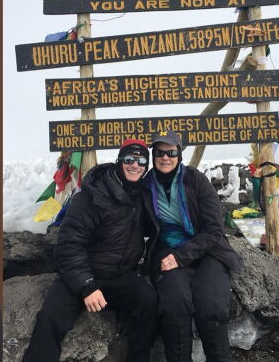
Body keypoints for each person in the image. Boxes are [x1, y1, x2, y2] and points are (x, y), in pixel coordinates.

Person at [22, 140, 157, 362]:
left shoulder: (142, 194)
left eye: (141, 160)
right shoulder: (92, 195)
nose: (135, 165)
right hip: (82, 275)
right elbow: (69, 245)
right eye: (130, 159)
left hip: (119, 277)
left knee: (148, 301)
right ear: (119, 161)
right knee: (50, 318)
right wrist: (87, 286)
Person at [143, 130, 243, 362]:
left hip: (207, 248)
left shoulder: (196, 180)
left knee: (211, 307)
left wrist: (181, 258)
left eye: (171, 152)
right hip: (167, 247)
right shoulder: (146, 184)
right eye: (159, 152)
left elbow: (214, 229)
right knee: (174, 305)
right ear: (153, 154)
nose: (165, 157)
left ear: (179, 154)